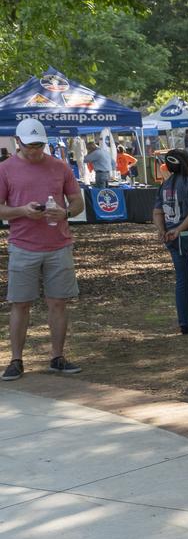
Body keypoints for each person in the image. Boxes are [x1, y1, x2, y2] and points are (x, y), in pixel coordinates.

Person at [0, 118, 85, 380]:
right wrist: (22, 212)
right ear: (18, 142)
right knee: (20, 304)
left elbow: (78, 201)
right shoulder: (5, 169)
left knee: (58, 302)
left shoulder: (60, 167)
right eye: (30, 146)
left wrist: (65, 212)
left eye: (39, 145)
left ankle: (57, 357)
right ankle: (16, 360)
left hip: (59, 245)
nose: (35, 150)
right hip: (23, 245)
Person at [153, 149, 188, 335]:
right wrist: (180, 229)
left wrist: (163, 231)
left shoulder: (165, 184)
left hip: (173, 239)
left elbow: (157, 212)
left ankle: (185, 321)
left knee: (183, 281)